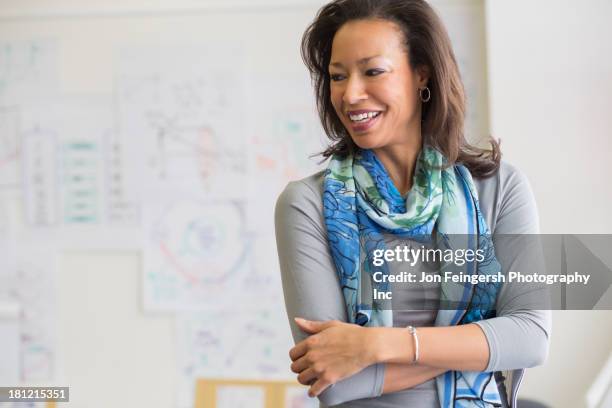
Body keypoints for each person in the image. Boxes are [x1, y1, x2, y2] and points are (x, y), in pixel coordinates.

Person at [274, 0, 551, 406]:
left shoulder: (500, 188)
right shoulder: (306, 204)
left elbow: (530, 338)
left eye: (373, 71)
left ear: (422, 74)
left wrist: (375, 346)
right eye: (337, 76)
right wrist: (482, 341)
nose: (350, 93)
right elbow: (333, 381)